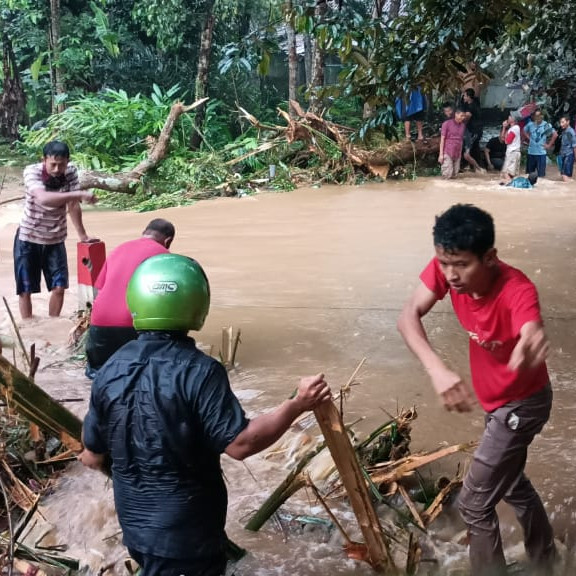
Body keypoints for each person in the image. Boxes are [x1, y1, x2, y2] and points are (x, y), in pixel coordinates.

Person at [78, 253, 331, 576]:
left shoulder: (109, 370)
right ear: (197, 304)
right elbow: (241, 444)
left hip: (137, 533)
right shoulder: (200, 371)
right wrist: (296, 404)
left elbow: (92, 455)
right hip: (188, 538)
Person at [397, 204, 555, 576]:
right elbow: (407, 317)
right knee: (513, 484)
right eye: (444, 263)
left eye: (462, 265)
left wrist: (532, 335)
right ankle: (547, 560)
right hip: (496, 401)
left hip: (523, 404)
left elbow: (530, 322)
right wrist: (437, 370)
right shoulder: (445, 267)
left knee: (473, 503)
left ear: (490, 258)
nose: (451, 275)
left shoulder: (517, 288)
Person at [13, 140, 98, 319]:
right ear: (44, 160)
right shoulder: (31, 172)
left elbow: (73, 205)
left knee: (59, 288)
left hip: (56, 239)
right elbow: (43, 198)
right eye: (53, 164)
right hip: (28, 238)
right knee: (25, 290)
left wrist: (83, 235)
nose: (57, 169)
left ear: (68, 161)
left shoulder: (71, 172)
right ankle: (28, 327)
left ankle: (53, 325)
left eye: (62, 164)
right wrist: (79, 194)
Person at [84, 218, 175, 377]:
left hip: (99, 324)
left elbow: (99, 291)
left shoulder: (119, 249)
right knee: (138, 377)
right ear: (167, 241)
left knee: (99, 376)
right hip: (133, 325)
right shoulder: (164, 256)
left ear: (144, 233)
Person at [523, 110, 557, 178]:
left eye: (539, 115)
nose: (538, 117)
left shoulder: (546, 125)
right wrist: (529, 138)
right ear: (534, 117)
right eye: (536, 116)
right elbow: (524, 131)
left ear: (542, 116)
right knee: (529, 175)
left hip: (541, 153)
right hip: (531, 153)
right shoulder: (530, 124)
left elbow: (555, 134)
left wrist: (549, 145)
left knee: (541, 176)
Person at [460, 88, 486, 174]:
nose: (463, 97)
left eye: (464, 95)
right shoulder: (472, 104)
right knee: (474, 147)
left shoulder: (471, 106)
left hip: (474, 131)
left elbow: (466, 118)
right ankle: (472, 166)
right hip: (475, 130)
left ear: (469, 97)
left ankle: (478, 167)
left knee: (470, 148)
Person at [438, 107, 466, 179]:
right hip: (447, 151)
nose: (463, 118)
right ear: (456, 114)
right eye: (461, 115)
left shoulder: (463, 126)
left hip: (457, 153)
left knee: (455, 175)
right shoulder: (446, 124)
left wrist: (460, 153)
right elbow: (442, 139)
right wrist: (441, 155)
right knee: (447, 175)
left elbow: (461, 140)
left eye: (464, 116)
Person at [500, 114, 522, 184]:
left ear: (514, 120)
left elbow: (507, 141)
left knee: (506, 173)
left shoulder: (515, 128)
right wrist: (504, 127)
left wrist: (506, 137)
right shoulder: (511, 128)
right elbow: (502, 139)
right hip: (513, 153)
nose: (508, 117)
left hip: (513, 153)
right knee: (510, 174)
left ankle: (509, 186)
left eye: (510, 116)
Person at [558, 115, 576, 182]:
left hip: (569, 155)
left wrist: (575, 157)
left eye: (563, 122)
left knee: (564, 175)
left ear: (568, 122)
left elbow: (574, 146)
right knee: (565, 175)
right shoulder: (564, 131)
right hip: (564, 155)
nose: (561, 124)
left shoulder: (570, 132)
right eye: (560, 122)